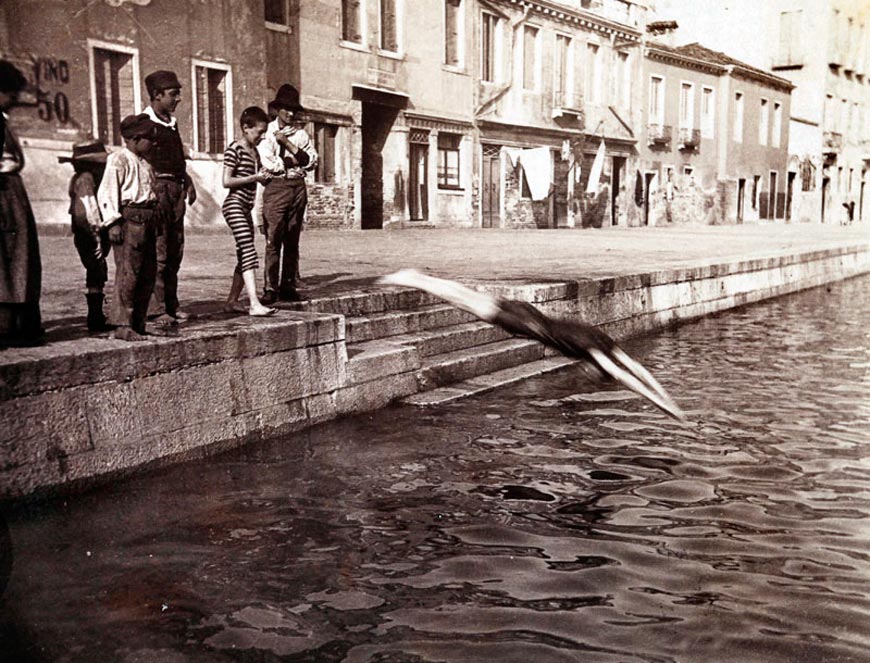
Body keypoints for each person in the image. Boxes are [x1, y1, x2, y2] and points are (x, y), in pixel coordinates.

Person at [378, 269, 685, 420]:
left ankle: (416, 278)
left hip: (529, 312)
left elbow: (639, 369)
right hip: (523, 323)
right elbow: (630, 378)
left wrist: (669, 400)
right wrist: (665, 408)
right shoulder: (596, 355)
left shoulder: (607, 343)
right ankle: (414, 279)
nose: (587, 376)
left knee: (464, 296)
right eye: (592, 376)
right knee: (462, 301)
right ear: (596, 370)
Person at [97, 114, 162, 342]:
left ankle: (139, 322)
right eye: (149, 139)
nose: (153, 144)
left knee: (147, 272)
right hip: (130, 218)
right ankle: (122, 324)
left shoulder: (145, 163)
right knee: (128, 272)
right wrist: (113, 222)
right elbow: (107, 192)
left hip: (148, 217)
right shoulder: (118, 160)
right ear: (134, 139)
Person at [143, 70, 196, 326]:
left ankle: (172, 304)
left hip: (176, 189)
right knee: (159, 251)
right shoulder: (145, 123)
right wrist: (156, 192)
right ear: (157, 95)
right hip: (159, 190)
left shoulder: (171, 123)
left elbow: (176, 158)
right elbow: (142, 162)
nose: (178, 99)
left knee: (176, 251)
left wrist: (188, 181)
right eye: (173, 94)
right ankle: (156, 308)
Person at [257, 84, 317, 304]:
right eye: (286, 109)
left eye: (294, 110)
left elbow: (311, 161)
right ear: (277, 110)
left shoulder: (300, 134)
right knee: (274, 238)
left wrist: (287, 144)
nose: (290, 114)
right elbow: (270, 164)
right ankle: (270, 287)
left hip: (297, 187)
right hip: (277, 187)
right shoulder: (267, 133)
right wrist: (294, 159)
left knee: (293, 238)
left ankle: (288, 285)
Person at [0, 60, 43, 348]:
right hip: (2, 195)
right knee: (8, 260)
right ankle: (7, 326)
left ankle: (17, 325)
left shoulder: (3, 121)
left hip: (11, 195)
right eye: (9, 93)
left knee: (19, 258)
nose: (14, 99)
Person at [221, 106, 277, 317]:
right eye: (259, 132)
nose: (262, 137)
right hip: (234, 205)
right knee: (248, 250)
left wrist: (267, 175)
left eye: (264, 132)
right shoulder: (234, 149)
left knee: (244, 252)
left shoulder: (255, 152)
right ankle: (254, 303)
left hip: (246, 207)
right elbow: (226, 181)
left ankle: (232, 301)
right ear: (246, 128)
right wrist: (254, 178)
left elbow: (260, 175)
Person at [59, 139, 114, 332]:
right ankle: (95, 316)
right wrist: (97, 234)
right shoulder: (86, 180)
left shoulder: (82, 178)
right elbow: (88, 210)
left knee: (96, 271)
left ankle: (96, 314)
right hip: (89, 232)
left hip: (87, 230)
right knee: (96, 270)